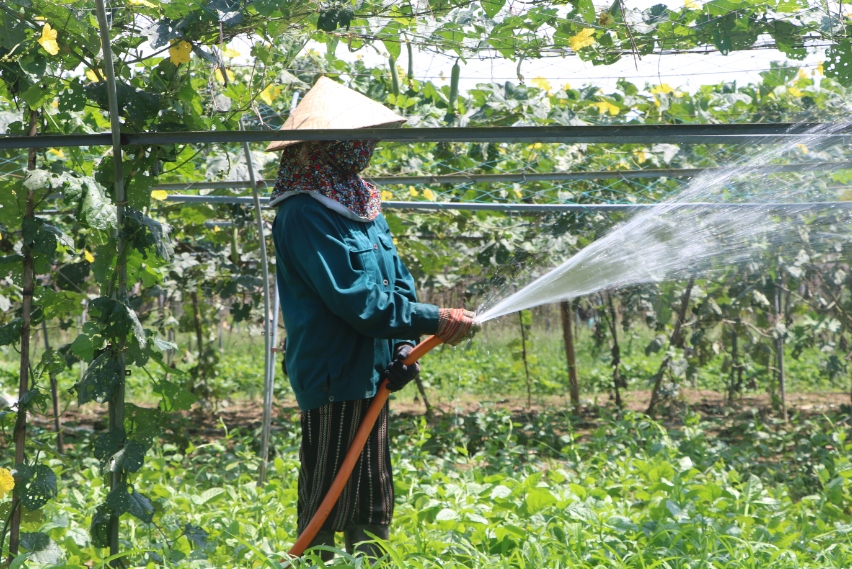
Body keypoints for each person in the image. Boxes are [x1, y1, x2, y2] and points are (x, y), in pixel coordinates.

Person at [266, 77, 480, 562]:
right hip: (335, 372)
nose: (370, 146)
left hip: (375, 368)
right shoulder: (303, 212)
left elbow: (395, 279)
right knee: (329, 491)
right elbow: (358, 300)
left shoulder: (360, 199)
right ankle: (316, 556)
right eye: (360, 135)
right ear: (330, 143)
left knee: (372, 493)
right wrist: (435, 318)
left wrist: (405, 344)